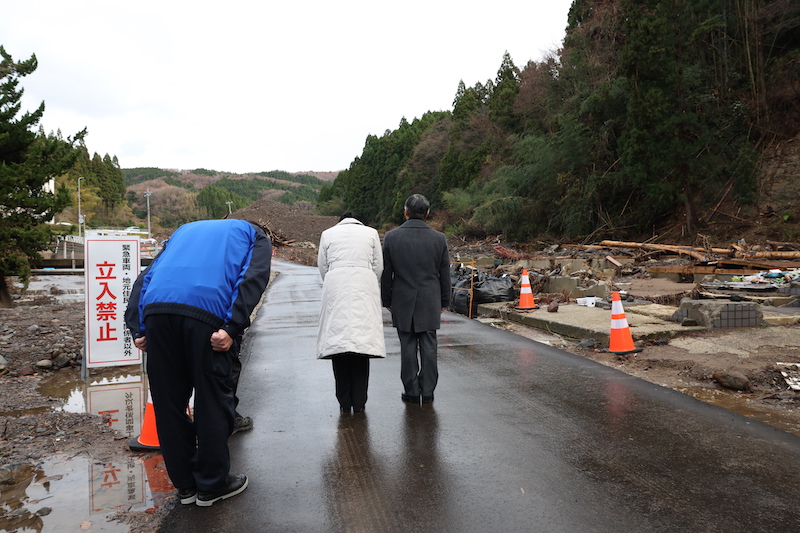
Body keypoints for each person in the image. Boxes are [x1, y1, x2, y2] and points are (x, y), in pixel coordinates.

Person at [124, 219, 271, 507]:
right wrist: (231, 327)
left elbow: (148, 275)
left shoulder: (182, 231)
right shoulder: (254, 235)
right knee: (212, 397)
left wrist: (139, 328)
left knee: (168, 403)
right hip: (207, 314)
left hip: (157, 312)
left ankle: (186, 486)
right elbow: (253, 277)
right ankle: (212, 484)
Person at [381, 194, 450, 405]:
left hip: (402, 298)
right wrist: (445, 301)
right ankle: (427, 390)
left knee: (407, 346)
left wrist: (387, 300)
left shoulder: (392, 238)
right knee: (429, 345)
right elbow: (444, 274)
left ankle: (411, 390)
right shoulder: (439, 239)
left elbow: (386, 274)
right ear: (427, 213)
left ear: (406, 212)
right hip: (430, 298)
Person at [316, 211, 386, 413]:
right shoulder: (371, 233)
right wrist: (368, 280)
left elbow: (322, 266)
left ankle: (344, 402)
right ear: (359, 221)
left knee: (338, 345)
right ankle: (360, 401)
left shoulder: (327, 234)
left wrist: (333, 280)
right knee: (361, 345)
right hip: (364, 285)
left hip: (335, 285)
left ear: (340, 222)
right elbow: (378, 266)